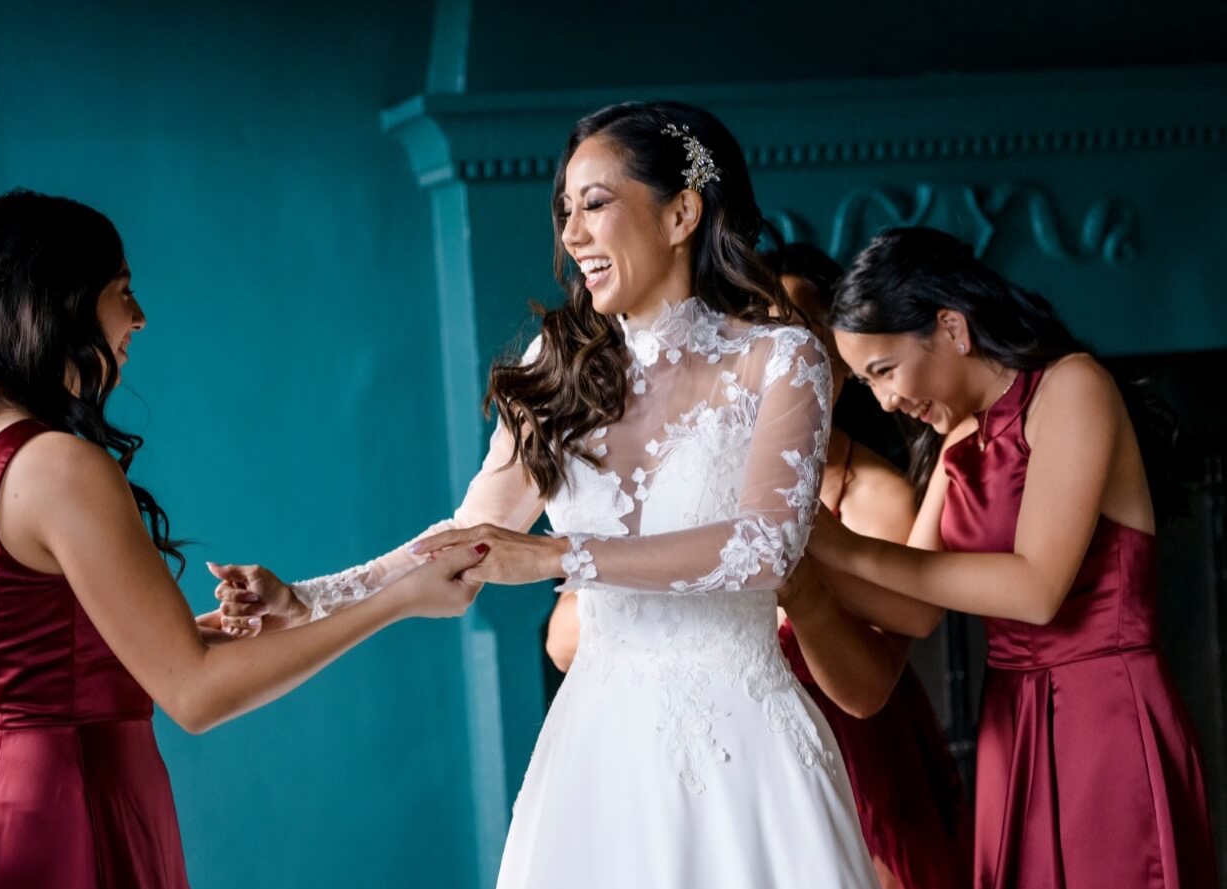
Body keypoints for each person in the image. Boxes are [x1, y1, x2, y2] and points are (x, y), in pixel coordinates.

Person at [215, 102, 880, 887]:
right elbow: (474, 532)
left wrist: (559, 553)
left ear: (681, 213)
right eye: (564, 210)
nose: (569, 234)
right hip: (595, 758)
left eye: (594, 203)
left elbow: (764, 546)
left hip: (746, 752)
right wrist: (310, 597)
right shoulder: (556, 364)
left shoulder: (779, 359)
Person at [0, 190, 488, 889]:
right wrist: (399, 601)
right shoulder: (59, 464)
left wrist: (211, 633)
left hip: (13, 810)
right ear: (59, 300)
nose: (140, 318)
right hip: (64, 824)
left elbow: (55, 664)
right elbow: (195, 695)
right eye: (122, 292)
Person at [545, 240, 972, 889]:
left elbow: (865, 692)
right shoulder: (684, 472)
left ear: (837, 360)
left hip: (851, 771)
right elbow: (563, 641)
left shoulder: (872, 495)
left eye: (800, 338)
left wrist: (785, 575)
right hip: (705, 773)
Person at [805, 226, 1217, 889]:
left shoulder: (1071, 386)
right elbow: (913, 609)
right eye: (865, 382)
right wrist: (800, 561)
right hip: (1009, 722)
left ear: (950, 327)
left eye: (883, 370)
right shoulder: (957, 442)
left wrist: (844, 546)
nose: (883, 401)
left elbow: (1035, 587)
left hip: (1102, 708)